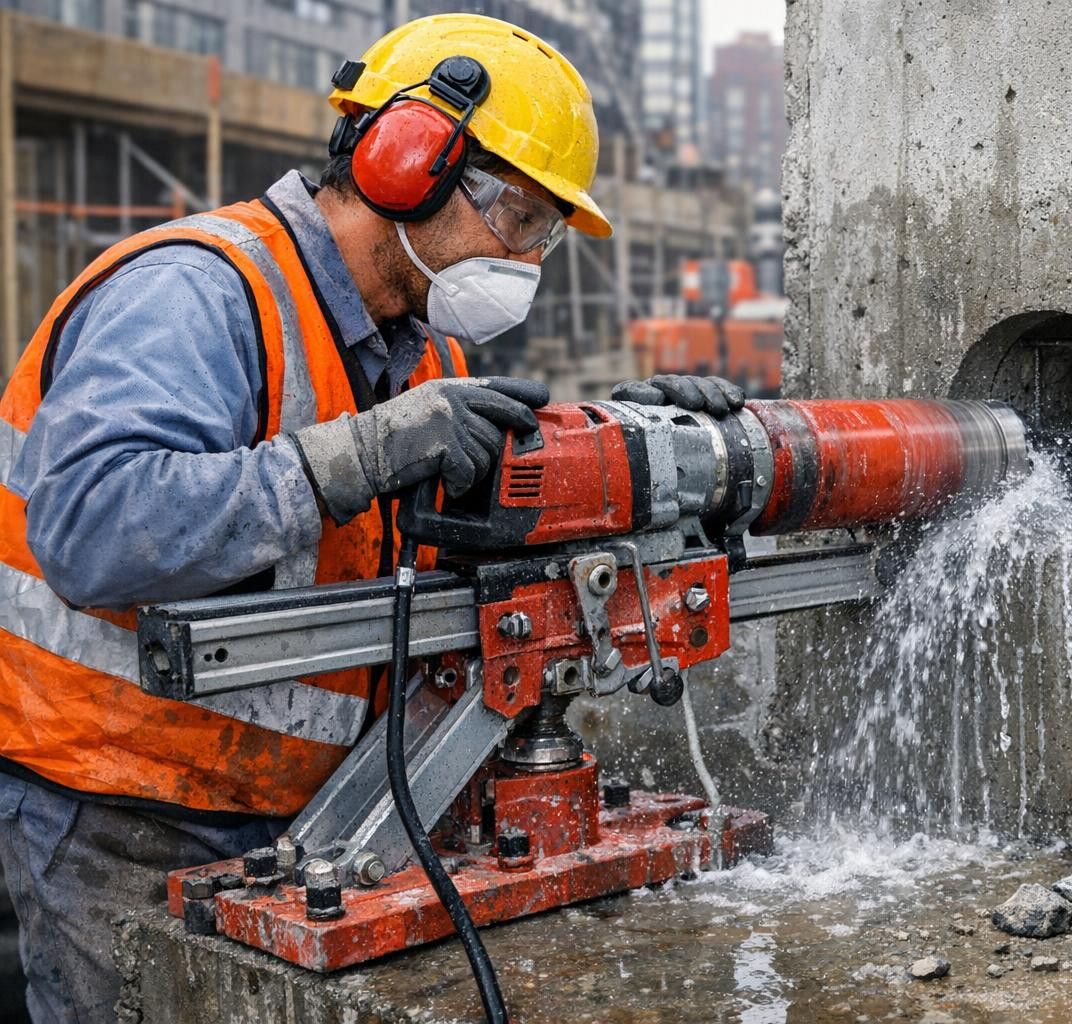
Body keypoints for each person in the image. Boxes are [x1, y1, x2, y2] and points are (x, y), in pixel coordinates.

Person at [0, 14, 742, 1021]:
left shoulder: (424, 351)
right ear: (408, 162)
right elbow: (92, 526)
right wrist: (361, 456)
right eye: (521, 217)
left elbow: (454, 528)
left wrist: (626, 444)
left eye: (546, 234)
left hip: (311, 822)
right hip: (122, 815)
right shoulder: (199, 293)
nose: (528, 260)